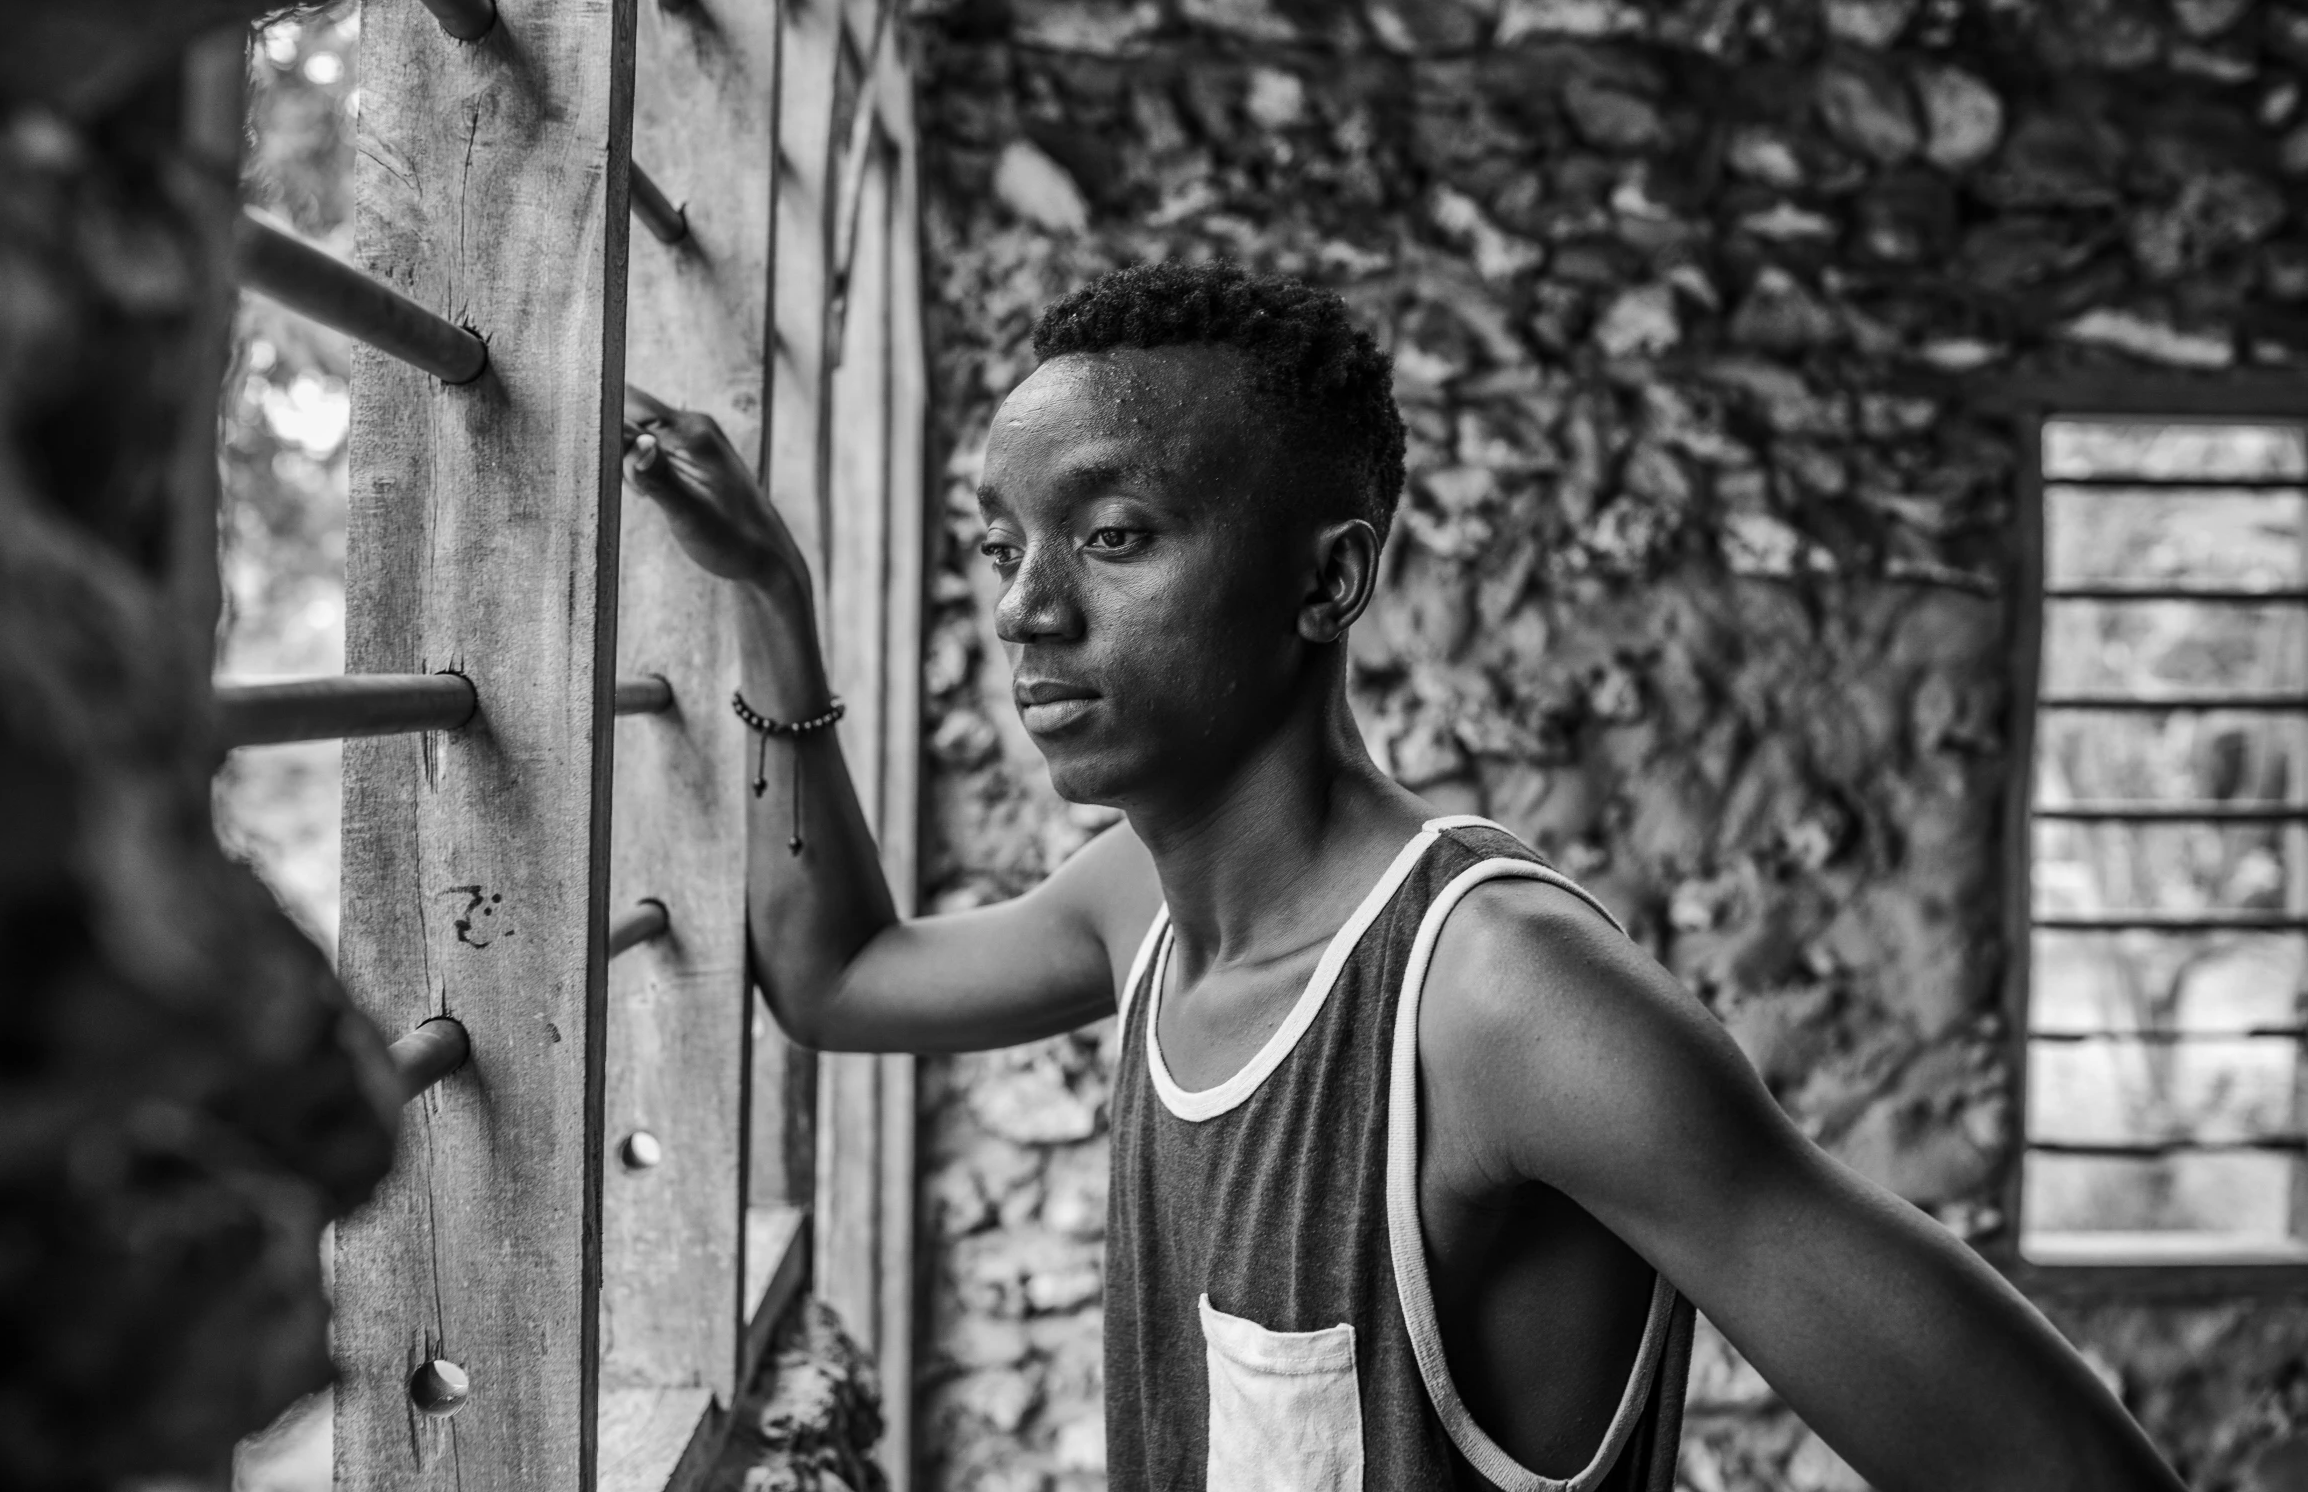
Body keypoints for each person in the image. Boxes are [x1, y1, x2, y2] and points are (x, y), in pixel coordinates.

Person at [623, 261, 2186, 1492]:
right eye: (996, 547)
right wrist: (772, 594)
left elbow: (2052, 1467)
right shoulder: (1142, 910)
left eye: (1109, 536)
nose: (1027, 610)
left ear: (1328, 578)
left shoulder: (1499, 998)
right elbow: (835, 979)